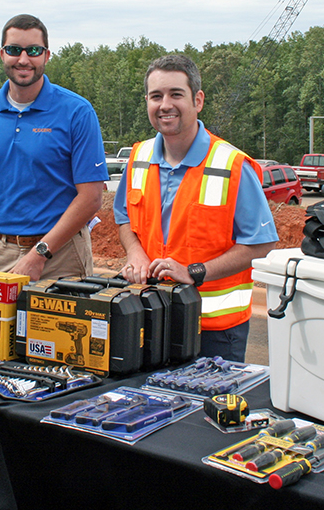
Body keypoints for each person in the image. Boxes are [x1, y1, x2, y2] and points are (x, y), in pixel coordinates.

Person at [114, 54, 278, 362]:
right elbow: (124, 216)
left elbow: (262, 244)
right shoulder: (138, 157)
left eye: (176, 94)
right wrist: (135, 254)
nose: (165, 105)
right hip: (149, 318)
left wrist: (195, 272)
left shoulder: (231, 165)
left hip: (214, 331)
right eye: (156, 96)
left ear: (198, 100)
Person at [0, 14, 108, 280]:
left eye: (34, 51)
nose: (24, 60)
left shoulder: (77, 112)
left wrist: (39, 254)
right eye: (15, 50)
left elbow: (91, 197)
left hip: (61, 257)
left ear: (46, 55)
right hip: (1, 252)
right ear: (2, 54)